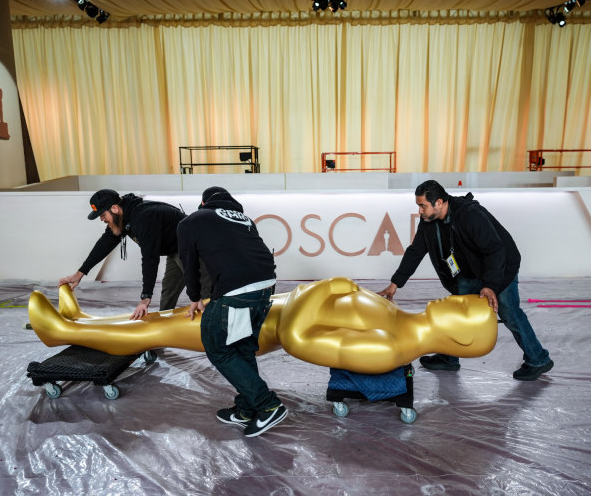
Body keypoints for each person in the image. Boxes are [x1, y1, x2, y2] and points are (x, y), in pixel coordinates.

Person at [28, 277, 498, 374]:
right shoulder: (400, 320)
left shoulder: (390, 348)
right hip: (259, 308)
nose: (455, 297)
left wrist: (315, 292)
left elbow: (299, 341)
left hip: (258, 330)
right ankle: (83, 320)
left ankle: (62, 332)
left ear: (459, 337)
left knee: (156, 331)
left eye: (462, 308)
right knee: (167, 318)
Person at [378, 179, 553, 381]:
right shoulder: (428, 222)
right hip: (467, 272)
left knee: (509, 312)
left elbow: (495, 251)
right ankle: (449, 358)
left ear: (440, 203)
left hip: (500, 268)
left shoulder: (470, 215)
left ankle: (538, 359)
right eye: (418, 206)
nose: (420, 211)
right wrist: (395, 283)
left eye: (423, 206)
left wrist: (490, 286)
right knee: (456, 312)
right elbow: (416, 250)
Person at [177, 186, 285, 437]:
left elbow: (188, 262)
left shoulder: (191, 221)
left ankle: (268, 405)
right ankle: (247, 408)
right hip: (266, 286)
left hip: (238, 290)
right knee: (241, 346)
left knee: (218, 346)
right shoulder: (244, 219)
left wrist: (194, 297)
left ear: (203, 203)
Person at [58, 189, 210, 320]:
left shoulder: (143, 217)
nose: (102, 219)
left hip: (194, 248)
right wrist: (80, 273)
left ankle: (217, 328)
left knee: (204, 292)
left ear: (114, 208)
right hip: (176, 249)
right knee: (169, 291)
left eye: (103, 215)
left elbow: (150, 257)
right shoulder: (124, 217)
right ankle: (161, 331)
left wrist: (145, 298)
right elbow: (104, 245)